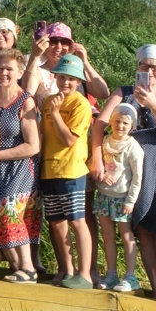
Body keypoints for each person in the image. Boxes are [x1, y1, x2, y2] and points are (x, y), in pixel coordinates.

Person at [90, 45, 156, 302]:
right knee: (142, 231)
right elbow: (100, 123)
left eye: (155, 67)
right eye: (145, 66)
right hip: (126, 170)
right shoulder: (124, 92)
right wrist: (96, 157)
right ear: (138, 67)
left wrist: (152, 102)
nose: (150, 72)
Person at [38, 53, 95, 289]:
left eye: (71, 78)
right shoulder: (48, 100)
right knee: (56, 222)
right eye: (61, 77)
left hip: (72, 170)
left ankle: (86, 274)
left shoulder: (81, 104)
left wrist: (55, 113)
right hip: (49, 169)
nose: (66, 82)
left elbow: (69, 139)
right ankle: (68, 270)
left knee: (77, 221)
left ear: (79, 81)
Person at [0, 48, 41, 281]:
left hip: (19, 165)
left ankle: (28, 267)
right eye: (0, 68)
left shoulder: (25, 101)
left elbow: (33, 146)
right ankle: (19, 268)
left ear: (19, 72)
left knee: (9, 211)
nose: (4, 73)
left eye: (9, 69)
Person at [93, 103, 143, 292]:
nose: (120, 126)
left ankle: (130, 276)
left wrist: (131, 201)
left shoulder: (133, 148)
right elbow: (98, 165)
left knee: (126, 235)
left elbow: (137, 178)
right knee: (107, 236)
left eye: (124, 123)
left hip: (123, 199)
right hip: (105, 196)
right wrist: (102, 175)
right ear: (111, 122)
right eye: (116, 121)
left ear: (131, 126)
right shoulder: (105, 141)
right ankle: (111, 273)